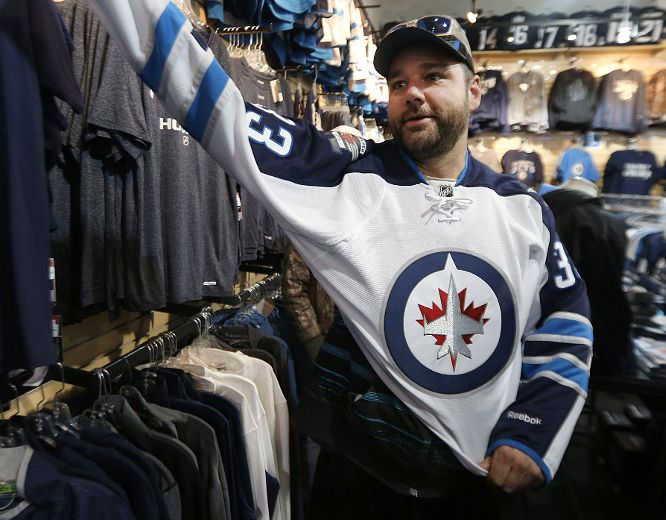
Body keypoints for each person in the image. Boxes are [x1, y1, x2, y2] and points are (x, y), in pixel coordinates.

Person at [87, 0, 592, 503]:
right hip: (364, 478)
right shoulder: (346, 179)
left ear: (474, 91)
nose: (413, 93)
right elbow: (227, 111)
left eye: (434, 76)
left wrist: (533, 432)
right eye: (398, 83)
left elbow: (565, 322)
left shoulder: (522, 210)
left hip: (483, 482)